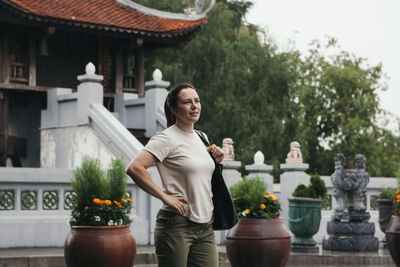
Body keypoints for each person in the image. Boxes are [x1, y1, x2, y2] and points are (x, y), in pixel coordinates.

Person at [126, 83, 224, 267]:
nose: (194, 106)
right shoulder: (166, 138)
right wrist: (164, 196)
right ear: (173, 109)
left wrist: (216, 161)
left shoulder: (201, 137)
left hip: (205, 226)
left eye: (197, 100)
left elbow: (199, 177)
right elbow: (134, 167)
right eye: (187, 102)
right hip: (176, 225)